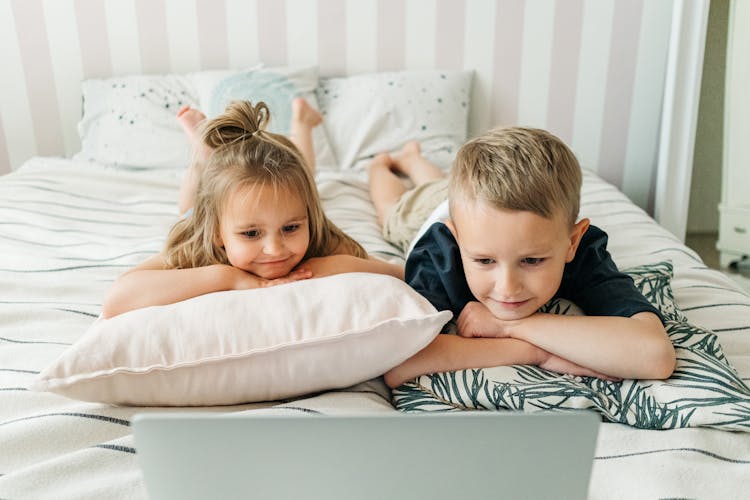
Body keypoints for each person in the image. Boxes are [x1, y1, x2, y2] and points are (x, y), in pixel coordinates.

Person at [366, 128, 676, 388]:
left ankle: (414, 159)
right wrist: (537, 353)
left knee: (435, 185)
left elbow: (654, 355)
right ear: (459, 243)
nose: (508, 288)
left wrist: (507, 327)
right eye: (485, 261)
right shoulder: (439, 253)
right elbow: (402, 362)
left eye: (532, 261)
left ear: (572, 241)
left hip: (473, 213)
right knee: (394, 208)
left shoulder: (583, 252)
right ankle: (382, 166)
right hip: (430, 214)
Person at [101, 99, 403, 319]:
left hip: (266, 198)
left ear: (309, 218)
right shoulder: (198, 250)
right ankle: (202, 151)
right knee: (189, 206)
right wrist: (228, 278)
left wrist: (324, 268)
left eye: (291, 228)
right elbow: (117, 299)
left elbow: (395, 272)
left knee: (301, 177)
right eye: (250, 233)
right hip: (200, 217)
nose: (274, 249)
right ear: (219, 234)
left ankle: (303, 124)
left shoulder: (322, 241)